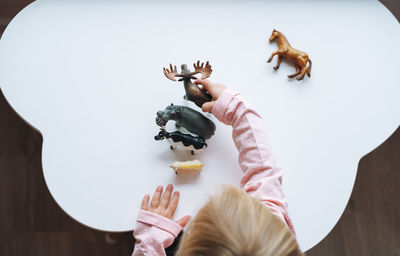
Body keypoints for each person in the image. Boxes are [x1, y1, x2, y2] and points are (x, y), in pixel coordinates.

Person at [132, 79, 303, 256]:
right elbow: (263, 168)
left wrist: (150, 240)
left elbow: (264, 172)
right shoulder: (271, 229)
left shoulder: (271, 228)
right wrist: (237, 110)